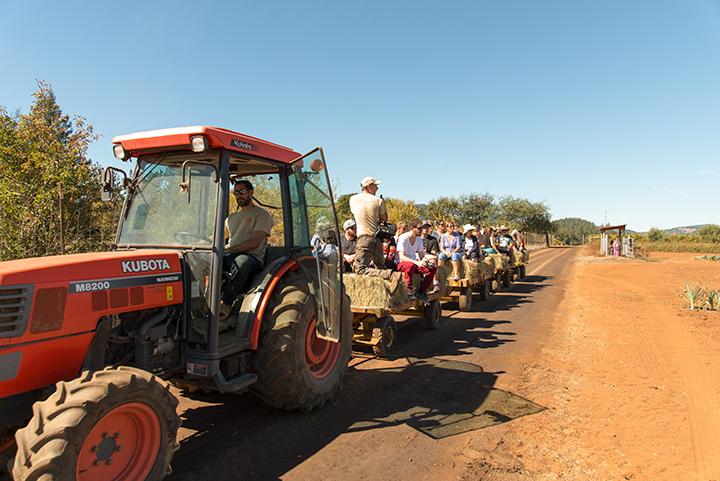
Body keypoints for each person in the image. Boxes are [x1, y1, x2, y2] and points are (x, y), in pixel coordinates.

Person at [222, 179, 273, 310]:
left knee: (241, 262)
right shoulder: (231, 218)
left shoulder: (261, 214)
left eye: (242, 192)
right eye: (236, 192)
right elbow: (218, 237)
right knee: (206, 259)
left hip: (252, 257)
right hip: (230, 255)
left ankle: (225, 304)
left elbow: (255, 242)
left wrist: (229, 249)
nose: (239, 195)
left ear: (251, 192)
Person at [349, 177, 402, 290]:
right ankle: (390, 281)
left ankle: (391, 276)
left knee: (360, 269)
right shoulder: (378, 201)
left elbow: (355, 213)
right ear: (368, 186)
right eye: (375, 186)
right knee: (380, 267)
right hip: (377, 238)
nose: (377, 188)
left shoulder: (353, 199)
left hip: (363, 238)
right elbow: (384, 219)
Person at [396, 220, 437, 303]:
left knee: (432, 268)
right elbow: (402, 257)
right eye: (419, 228)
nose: (421, 230)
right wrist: (417, 262)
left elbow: (422, 255)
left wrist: (427, 261)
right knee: (411, 265)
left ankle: (422, 291)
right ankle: (408, 290)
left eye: (421, 228)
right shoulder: (403, 238)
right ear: (412, 228)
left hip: (414, 263)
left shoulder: (418, 239)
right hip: (402, 263)